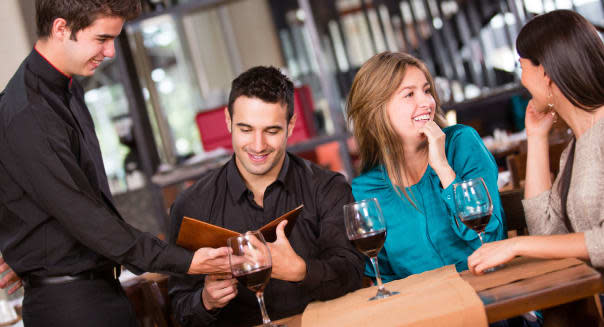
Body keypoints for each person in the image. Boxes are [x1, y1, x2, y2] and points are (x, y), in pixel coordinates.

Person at [0, 1, 230, 326]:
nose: (110, 52)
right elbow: (88, 218)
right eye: (101, 38)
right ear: (61, 28)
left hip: (99, 292)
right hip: (71, 308)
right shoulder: (29, 114)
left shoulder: (66, 90)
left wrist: (29, 247)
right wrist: (188, 262)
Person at [168, 66, 364, 326]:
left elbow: (352, 273)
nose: (258, 145)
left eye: (271, 131)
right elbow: (179, 312)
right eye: (246, 129)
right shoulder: (191, 206)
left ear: (290, 125)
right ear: (228, 121)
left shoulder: (327, 188)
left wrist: (300, 271)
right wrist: (206, 301)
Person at [347, 51, 506, 282]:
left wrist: (442, 167)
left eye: (427, 90)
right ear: (377, 112)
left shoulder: (461, 143)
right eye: (409, 94)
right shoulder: (366, 188)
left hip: (489, 290)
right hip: (425, 309)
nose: (427, 102)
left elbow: (488, 238)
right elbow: (383, 275)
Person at [468, 10, 604, 275]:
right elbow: (546, 231)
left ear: (545, 72)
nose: (521, 80)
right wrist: (537, 138)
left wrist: (518, 245)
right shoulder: (575, 148)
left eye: (521, 66)